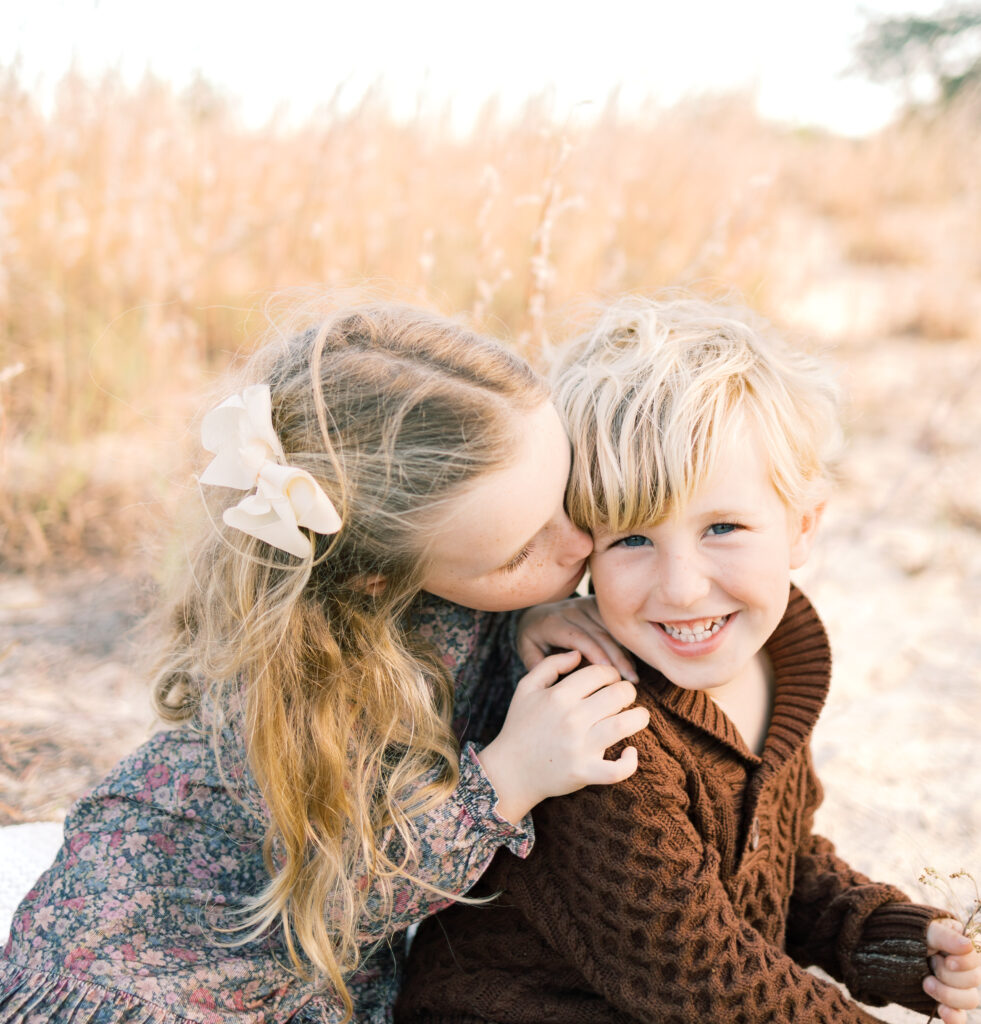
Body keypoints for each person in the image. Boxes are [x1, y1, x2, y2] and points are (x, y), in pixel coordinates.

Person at [0, 302, 648, 1024]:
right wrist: (506, 779)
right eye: (517, 553)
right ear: (376, 576)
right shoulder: (293, 686)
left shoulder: (442, 567)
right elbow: (341, 897)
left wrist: (524, 617)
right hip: (161, 982)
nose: (579, 543)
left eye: (563, 497)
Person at [396, 296, 981, 1024]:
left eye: (723, 527)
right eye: (631, 541)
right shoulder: (603, 727)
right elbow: (707, 980)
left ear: (801, 525)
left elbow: (777, 860)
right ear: (583, 547)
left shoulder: (774, 656)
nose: (680, 586)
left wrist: (890, 949)